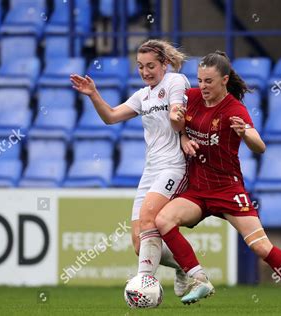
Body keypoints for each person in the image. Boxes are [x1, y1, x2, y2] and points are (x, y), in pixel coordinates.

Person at [155, 51, 281, 308]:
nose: (202, 86)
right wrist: (181, 137)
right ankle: (197, 276)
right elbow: (172, 120)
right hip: (198, 189)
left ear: (224, 80)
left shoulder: (235, 109)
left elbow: (260, 146)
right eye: (200, 80)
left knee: (261, 247)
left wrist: (246, 133)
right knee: (163, 220)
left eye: (209, 81)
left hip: (227, 189)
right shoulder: (190, 98)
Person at [70, 39, 191, 296]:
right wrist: (94, 94)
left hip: (174, 166)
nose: (145, 72)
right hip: (150, 170)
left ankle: (142, 289)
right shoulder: (142, 95)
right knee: (139, 243)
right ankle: (183, 265)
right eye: (140, 67)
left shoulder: (175, 81)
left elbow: (178, 113)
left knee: (149, 218)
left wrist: (177, 118)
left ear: (165, 64)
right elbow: (111, 117)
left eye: (151, 66)